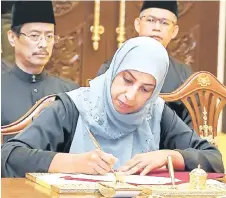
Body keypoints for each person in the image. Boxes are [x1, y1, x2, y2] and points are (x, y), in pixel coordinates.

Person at [1, 37, 224, 178]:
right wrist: (73, 162)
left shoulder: (155, 112)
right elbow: (9, 156)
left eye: (146, 89)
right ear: (114, 70)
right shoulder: (72, 107)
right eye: (127, 80)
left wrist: (170, 156)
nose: (131, 95)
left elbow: (213, 158)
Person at [97, 1, 193, 126]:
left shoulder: (183, 73)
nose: (157, 28)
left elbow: (192, 123)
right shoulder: (113, 67)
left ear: (174, 31)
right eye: (150, 20)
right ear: (137, 24)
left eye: (164, 23)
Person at [1, 1, 78, 127]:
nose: (43, 44)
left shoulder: (69, 91)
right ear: (12, 38)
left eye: (49, 36)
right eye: (34, 36)